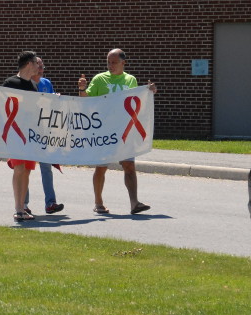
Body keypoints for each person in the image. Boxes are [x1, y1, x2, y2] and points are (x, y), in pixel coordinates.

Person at [79, 48, 157, 215]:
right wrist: (82, 89)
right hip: (104, 132)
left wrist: (149, 92)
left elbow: (137, 100)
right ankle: (98, 202)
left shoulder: (130, 80)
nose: (110, 65)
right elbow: (86, 100)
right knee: (101, 167)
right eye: (108, 62)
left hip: (124, 132)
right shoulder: (100, 79)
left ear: (123, 63)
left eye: (114, 62)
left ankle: (134, 203)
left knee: (129, 165)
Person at [0, 51, 39, 222]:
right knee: (19, 169)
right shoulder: (11, 83)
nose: (38, 66)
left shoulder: (33, 85)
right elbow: (0, 101)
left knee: (26, 171)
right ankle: (18, 208)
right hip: (15, 134)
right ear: (28, 64)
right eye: (35, 62)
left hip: (29, 134)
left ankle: (23, 207)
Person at [26, 56, 64, 215]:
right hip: (27, 133)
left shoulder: (46, 83)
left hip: (44, 132)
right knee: (25, 169)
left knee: (46, 168)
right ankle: (23, 204)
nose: (41, 69)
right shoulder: (24, 84)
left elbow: (51, 106)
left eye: (42, 66)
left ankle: (50, 203)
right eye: (38, 66)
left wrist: (57, 99)